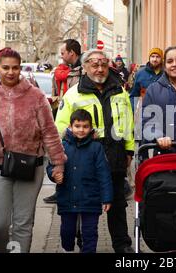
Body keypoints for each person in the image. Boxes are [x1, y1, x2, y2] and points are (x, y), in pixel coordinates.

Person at [0, 47, 67, 253]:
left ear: (20, 68)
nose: (10, 72)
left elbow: (49, 132)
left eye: (15, 68)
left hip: (30, 166)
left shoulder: (36, 97)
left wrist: (58, 162)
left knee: (23, 223)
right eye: (5, 67)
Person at [55, 49, 135, 253]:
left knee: (117, 205)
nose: (99, 68)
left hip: (115, 157)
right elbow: (61, 128)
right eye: (94, 64)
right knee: (85, 205)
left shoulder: (120, 91)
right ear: (85, 67)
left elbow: (127, 122)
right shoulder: (74, 94)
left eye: (103, 64)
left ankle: (122, 246)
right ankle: (83, 242)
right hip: (84, 160)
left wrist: (129, 150)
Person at [47, 109, 112, 253]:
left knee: (90, 233)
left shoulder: (96, 148)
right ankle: (67, 249)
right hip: (67, 197)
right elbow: (52, 165)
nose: (81, 130)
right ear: (70, 126)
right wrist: (54, 174)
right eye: (77, 126)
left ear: (90, 128)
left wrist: (107, 198)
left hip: (90, 199)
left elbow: (104, 174)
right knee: (67, 231)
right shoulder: (62, 146)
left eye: (85, 126)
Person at [44, 38, 82, 204]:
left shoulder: (82, 72)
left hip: (77, 121)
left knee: (75, 159)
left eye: (63, 53)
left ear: (71, 53)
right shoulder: (63, 71)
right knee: (59, 156)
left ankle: (74, 193)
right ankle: (60, 190)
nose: (61, 56)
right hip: (61, 116)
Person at [129, 47, 164, 113]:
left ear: (161, 59)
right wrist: (133, 111)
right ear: (149, 58)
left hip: (164, 113)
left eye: (158, 57)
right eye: (152, 56)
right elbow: (134, 95)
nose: (155, 59)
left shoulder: (167, 74)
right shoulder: (140, 73)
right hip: (144, 113)